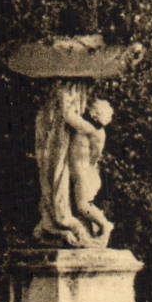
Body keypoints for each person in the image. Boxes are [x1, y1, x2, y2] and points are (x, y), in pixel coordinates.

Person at [32, 79, 94, 246]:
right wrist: (92, 130)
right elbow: (68, 115)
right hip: (55, 139)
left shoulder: (53, 99)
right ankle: (60, 219)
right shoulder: (63, 91)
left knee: (54, 176)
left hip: (54, 139)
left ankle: (56, 219)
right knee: (56, 175)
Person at [67, 98, 114, 244]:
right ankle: (89, 233)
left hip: (83, 173)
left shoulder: (89, 129)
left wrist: (66, 98)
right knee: (78, 206)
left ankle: (105, 225)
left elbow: (68, 116)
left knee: (82, 206)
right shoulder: (96, 131)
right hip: (82, 172)